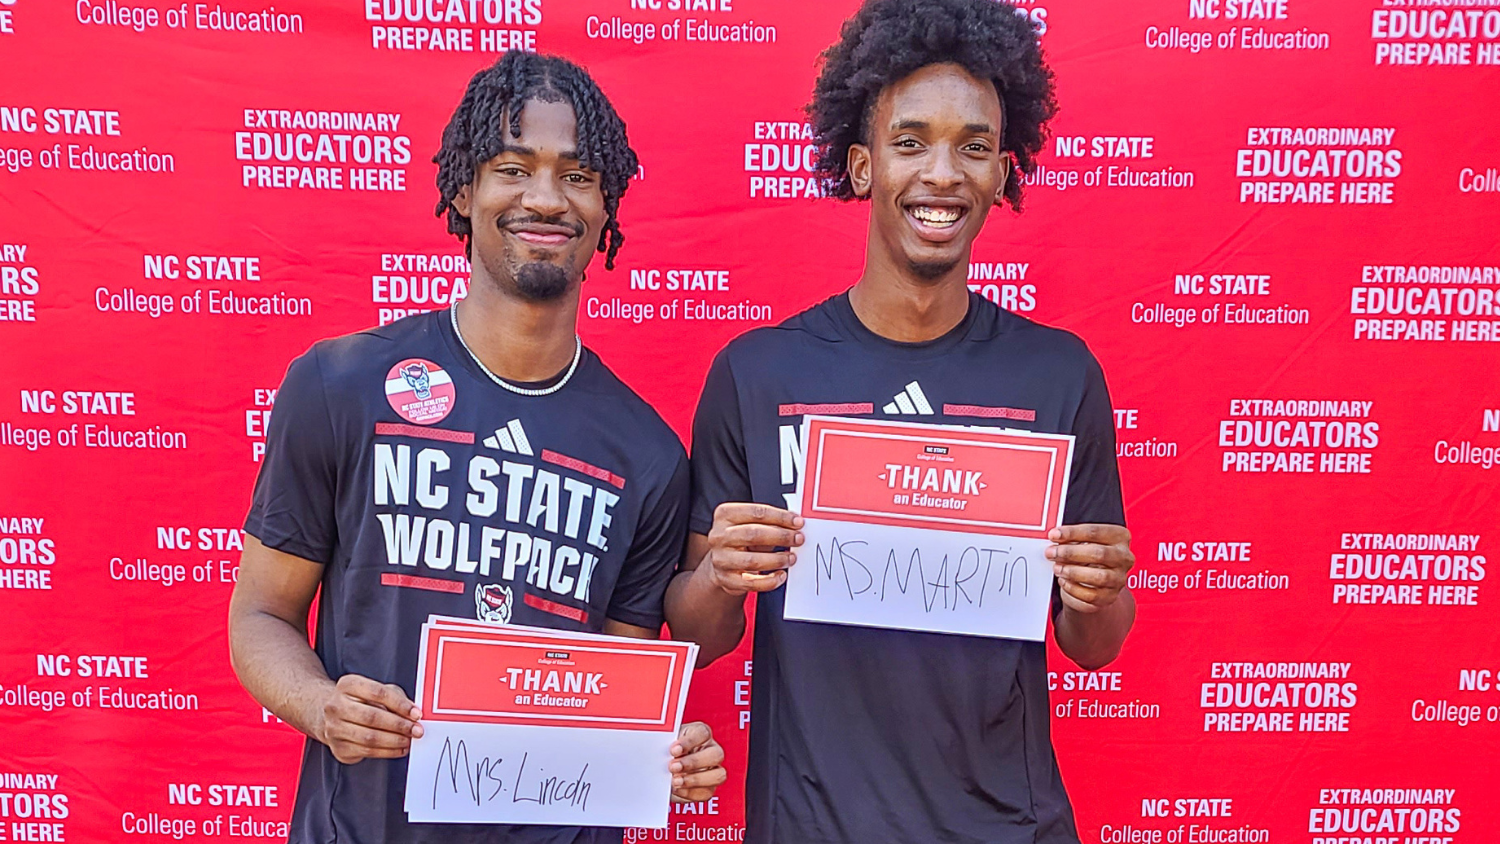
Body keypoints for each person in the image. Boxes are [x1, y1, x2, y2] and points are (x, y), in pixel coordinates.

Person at [665, 1, 1136, 842]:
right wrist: (720, 577)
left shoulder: (1059, 375)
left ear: (1002, 173)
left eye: (975, 147)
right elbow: (701, 636)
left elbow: (1094, 643)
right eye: (911, 140)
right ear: (860, 164)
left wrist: (1099, 591)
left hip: (1009, 826)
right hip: (810, 824)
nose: (943, 173)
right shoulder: (758, 374)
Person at [228, 51, 725, 844]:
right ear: (464, 190)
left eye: (577, 174)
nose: (544, 197)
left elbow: (615, 693)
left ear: (606, 208)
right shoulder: (342, 385)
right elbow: (259, 614)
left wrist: (660, 752)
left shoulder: (649, 455)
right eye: (512, 166)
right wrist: (323, 707)